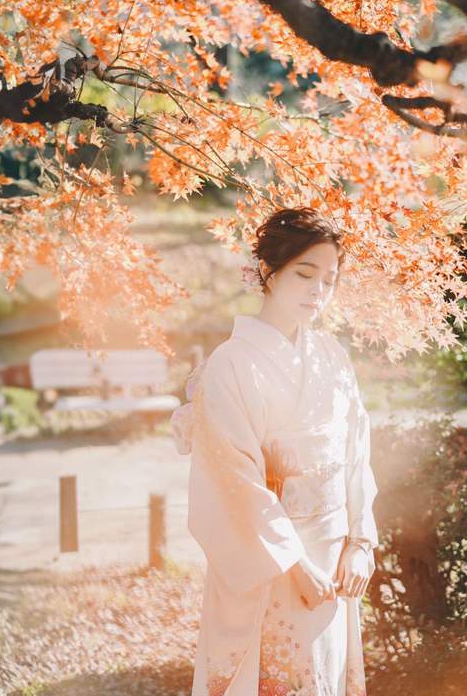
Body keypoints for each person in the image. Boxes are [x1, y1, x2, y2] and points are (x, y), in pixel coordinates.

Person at [176, 206, 378, 696]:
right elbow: (233, 479)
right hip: (270, 557)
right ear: (268, 271)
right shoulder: (231, 364)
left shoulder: (332, 356)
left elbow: (357, 452)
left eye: (328, 280)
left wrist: (359, 543)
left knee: (324, 679)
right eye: (304, 273)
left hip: (333, 556)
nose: (318, 291)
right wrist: (294, 563)